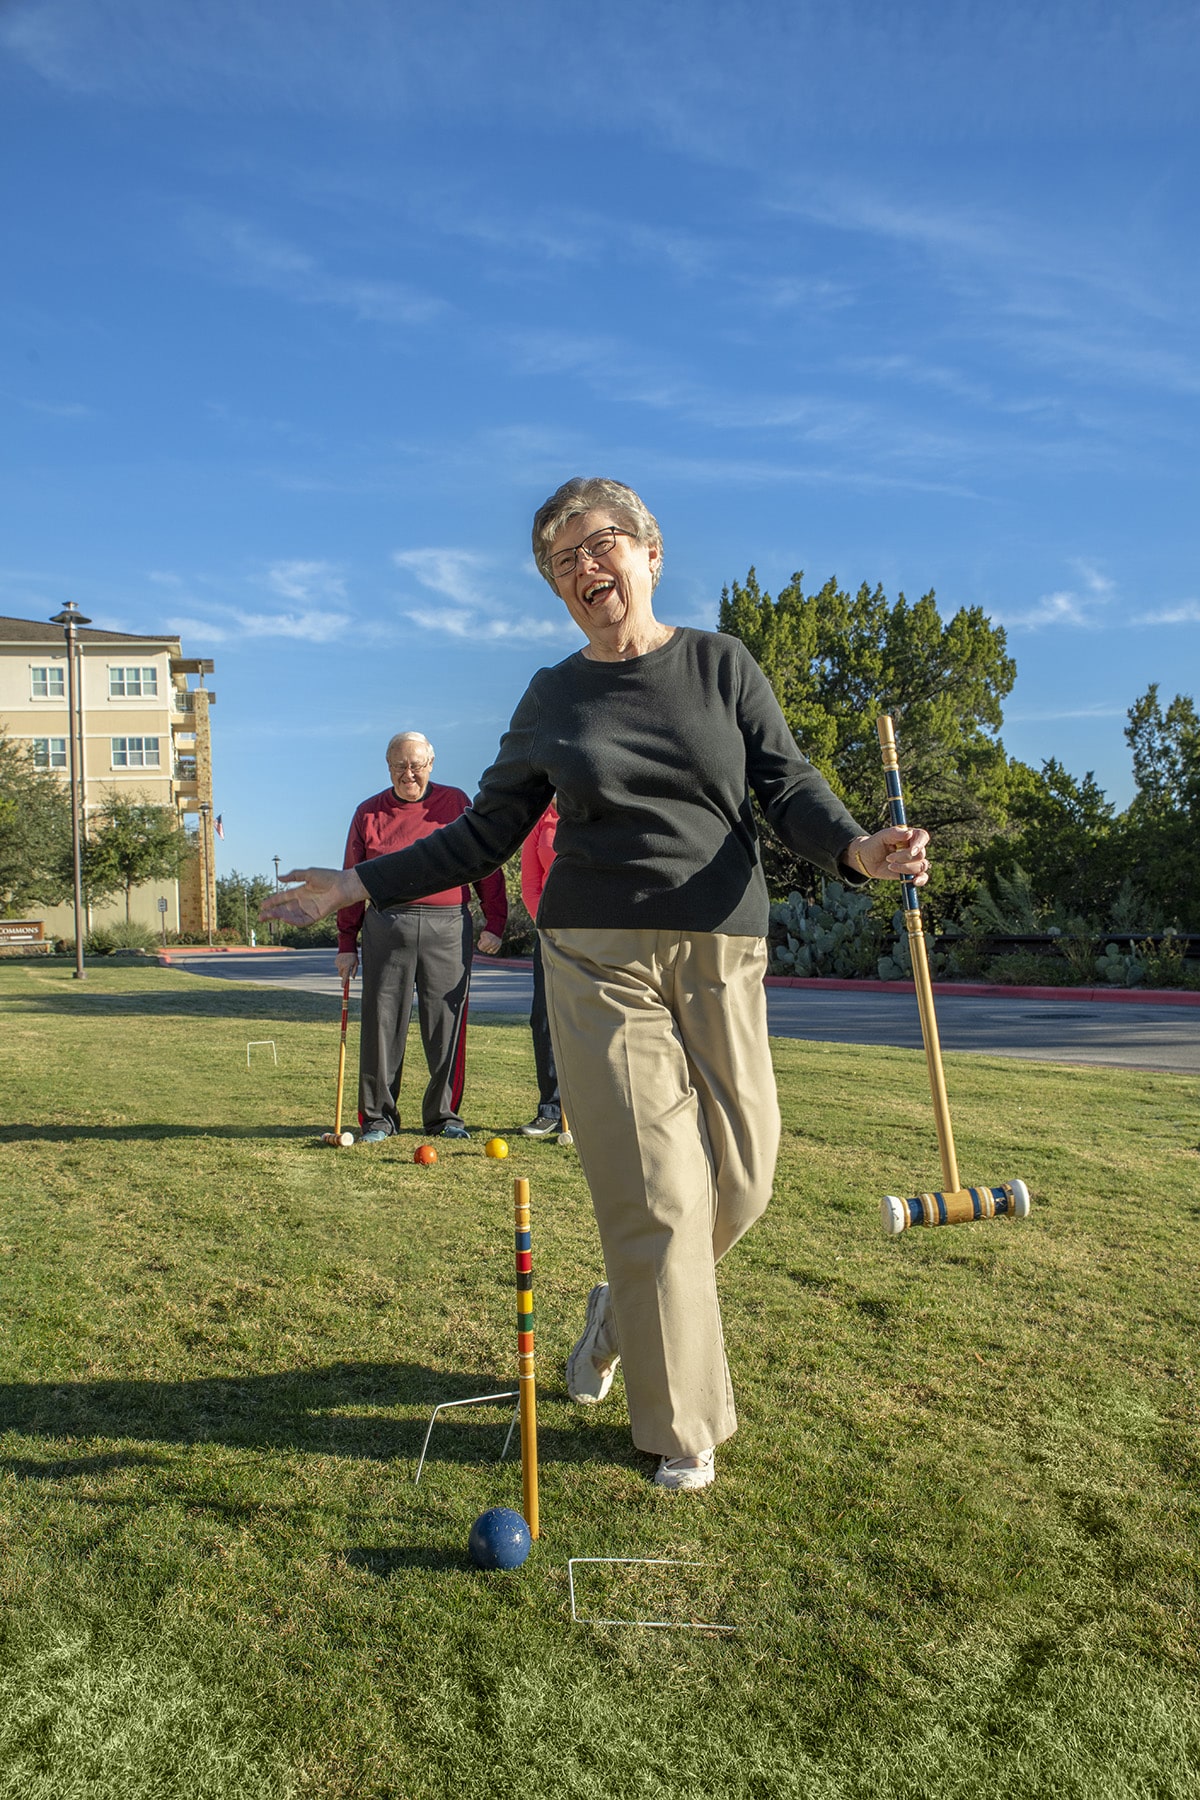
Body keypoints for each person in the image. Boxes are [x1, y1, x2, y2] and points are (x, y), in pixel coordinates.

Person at [263, 479, 929, 1490]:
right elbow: (484, 831)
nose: (586, 567)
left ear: (650, 553)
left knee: (741, 1183)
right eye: (563, 560)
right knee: (660, 1195)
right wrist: (358, 881)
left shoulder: (720, 665)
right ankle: (679, 1427)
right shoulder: (552, 696)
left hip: (719, 948)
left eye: (602, 544)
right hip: (594, 956)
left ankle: (614, 1321)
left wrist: (857, 853)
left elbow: (786, 788)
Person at [335, 731, 506, 1143]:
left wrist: (495, 922)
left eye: (416, 765)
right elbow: (349, 882)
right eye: (399, 765)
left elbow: (485, 862)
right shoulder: (368, 813)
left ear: (431, 764)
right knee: (381, 1023)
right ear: (388, 766)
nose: (408, 773)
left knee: (446, 1023)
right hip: (387, 924)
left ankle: (444, 1117)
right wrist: (345, 944)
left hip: (448, 926)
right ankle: (377, 1119)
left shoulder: (456, 803)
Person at [517, 799, 561, 1137]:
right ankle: (551, 1108)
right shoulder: (541, 821)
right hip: (550, 935)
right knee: (544, 1020)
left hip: (597, 937)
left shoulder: (599, 809)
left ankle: (596, 1111)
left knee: (596, 1020)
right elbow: (531, 884)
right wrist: (544, 927)